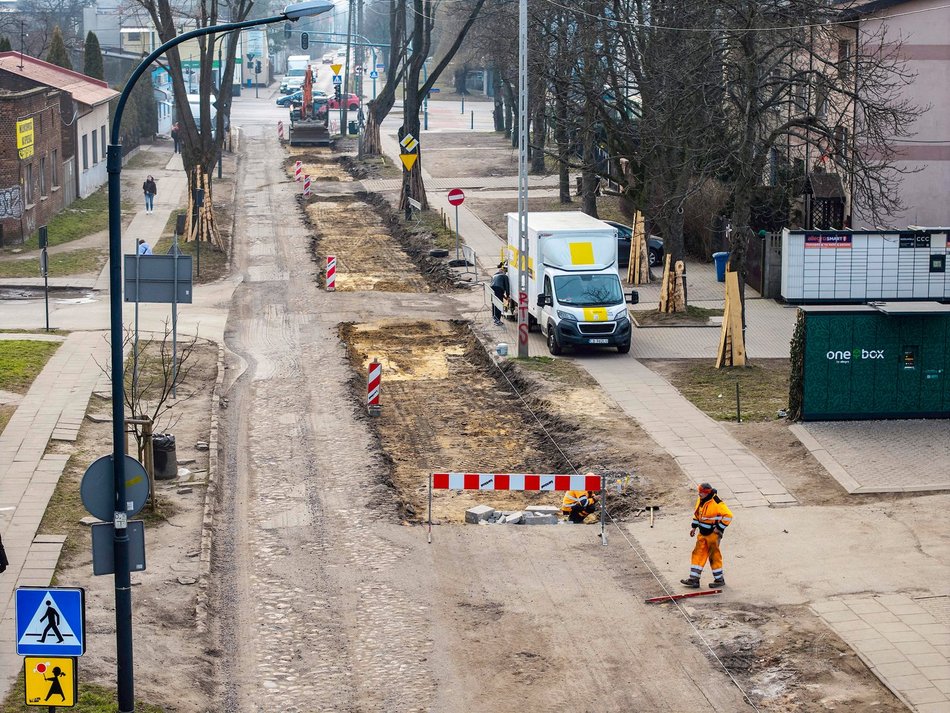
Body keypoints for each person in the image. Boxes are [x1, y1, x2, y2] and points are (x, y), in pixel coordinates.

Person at [681, 482, 733, 589]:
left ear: (707, 493)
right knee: (698, 553)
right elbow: (698, 514)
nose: (699, 494)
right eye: (699, 492)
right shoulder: (701, 500)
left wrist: (719, 528)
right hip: (702, 533)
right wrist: (694, 527)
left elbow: (728, 516)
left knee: (714, 556)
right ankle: (694, 579)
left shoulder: (717, 503)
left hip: (713, 535)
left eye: (701, 492)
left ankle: (719, 580)